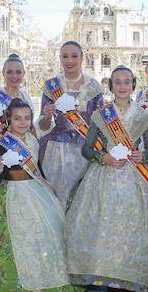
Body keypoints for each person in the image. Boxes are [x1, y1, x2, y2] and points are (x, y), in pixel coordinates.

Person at [66, 66, 148, 292]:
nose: (122, 86)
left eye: (126, 82)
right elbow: (87, 148)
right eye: (117, 82)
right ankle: (110, 282)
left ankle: (125, 283)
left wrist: (143, 156)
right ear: (111, 86)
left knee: (129, 230)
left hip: (133, 178)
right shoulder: (101, 115)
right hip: (105, 176)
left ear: (133, 85)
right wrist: (103, 157)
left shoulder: (142, 116)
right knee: (104, 230)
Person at [0, 98, 83, 292]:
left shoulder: (32, 140)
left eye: (26, 118)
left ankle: (45, 285)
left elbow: (37, 168)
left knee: (45, 236)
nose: (22, 122)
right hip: (12, 196)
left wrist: (47, 187)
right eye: (17, 119)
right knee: (19, 240)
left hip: (36, 192)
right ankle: (19, 290)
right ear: (8, 120)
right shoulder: (2, 145)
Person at [37, 41, 104, 206]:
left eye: (74, 56)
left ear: (82, 58)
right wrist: (46, 115)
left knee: (83, 201)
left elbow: (100, 124)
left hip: (86, 150)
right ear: (60, 59)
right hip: (57, 151)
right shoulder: (51, 86)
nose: (69, 60)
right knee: (57, 200)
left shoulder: (93, 87)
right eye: (65, 56)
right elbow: (44, 126)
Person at [0, 53, 34, 143]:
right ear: (3, 73)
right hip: (3, 150)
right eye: (9, 72)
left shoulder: (25, 96)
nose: (14, 76)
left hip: (26, 148)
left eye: (18, 72)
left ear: (24, 73)